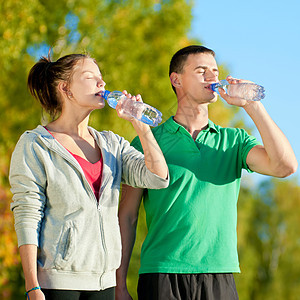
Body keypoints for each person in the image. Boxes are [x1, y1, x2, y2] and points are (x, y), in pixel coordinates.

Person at [115, 45, 298, 300]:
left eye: (215, 71)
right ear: (176, 79)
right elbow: (127, 216)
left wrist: (252, 106)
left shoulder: (234, 141)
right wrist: (119, 283)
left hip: (219, 275)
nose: (212, 78)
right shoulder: (147, 140)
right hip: (161, 273)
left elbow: (285, 166)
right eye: (202, 71)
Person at [9, 53, 169, 300]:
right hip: (57, 282)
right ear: (66, 89)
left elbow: (158, 177)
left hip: (104, 282)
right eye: (90, 77)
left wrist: (141, 126)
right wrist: (32, 286)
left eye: (101, 78)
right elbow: (27, 214)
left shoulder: (112, 144)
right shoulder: (36, 144)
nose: (101, 84)